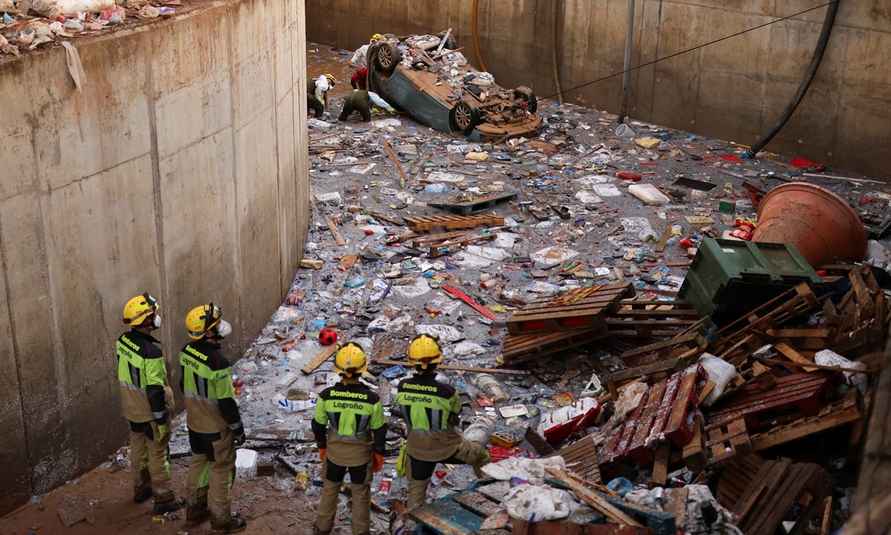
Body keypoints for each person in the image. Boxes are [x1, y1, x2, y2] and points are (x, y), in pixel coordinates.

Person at [394, 335, 490, 510]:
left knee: (415, 496)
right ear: (437, 362)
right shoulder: (447, 391)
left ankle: (413, 521)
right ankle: (487, 490)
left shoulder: (402, 386)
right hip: (448, 448)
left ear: (412, 362)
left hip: (417, 450)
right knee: (481, 455)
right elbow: (455, 415)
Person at [179, 303, 247, 533]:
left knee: (198, 464)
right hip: (216, 428)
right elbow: (226, 402)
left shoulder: (187, 351)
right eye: (216, 325)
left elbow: (184, 384)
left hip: (194, 423)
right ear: (208, 331)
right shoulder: (218, 362)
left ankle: (195, 509)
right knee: (221, 470)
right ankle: (221, 520)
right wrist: (237, 428)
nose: (220, 328)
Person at [312, 343, 387, 535]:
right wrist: (378, 453)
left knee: (330, 490)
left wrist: (322, 446)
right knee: (360, 494)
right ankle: (360, 531)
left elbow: (318, 425)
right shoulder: (372, 399)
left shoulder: (326, 396)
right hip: (360, 457)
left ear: (338, 370)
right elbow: (379, 430)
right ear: (362, 370)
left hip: (334, 454)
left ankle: (322, 529)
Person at [116, 293, 181, 513]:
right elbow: (154, 388)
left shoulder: (122, 341)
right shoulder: (151, 352)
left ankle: (141, 487)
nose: (157, 317)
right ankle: (163, 497)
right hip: (149, 410)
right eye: (153, 314)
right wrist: (160, 417)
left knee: (137, 448)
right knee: (158, 452)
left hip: (130, 407)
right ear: (145, 320)